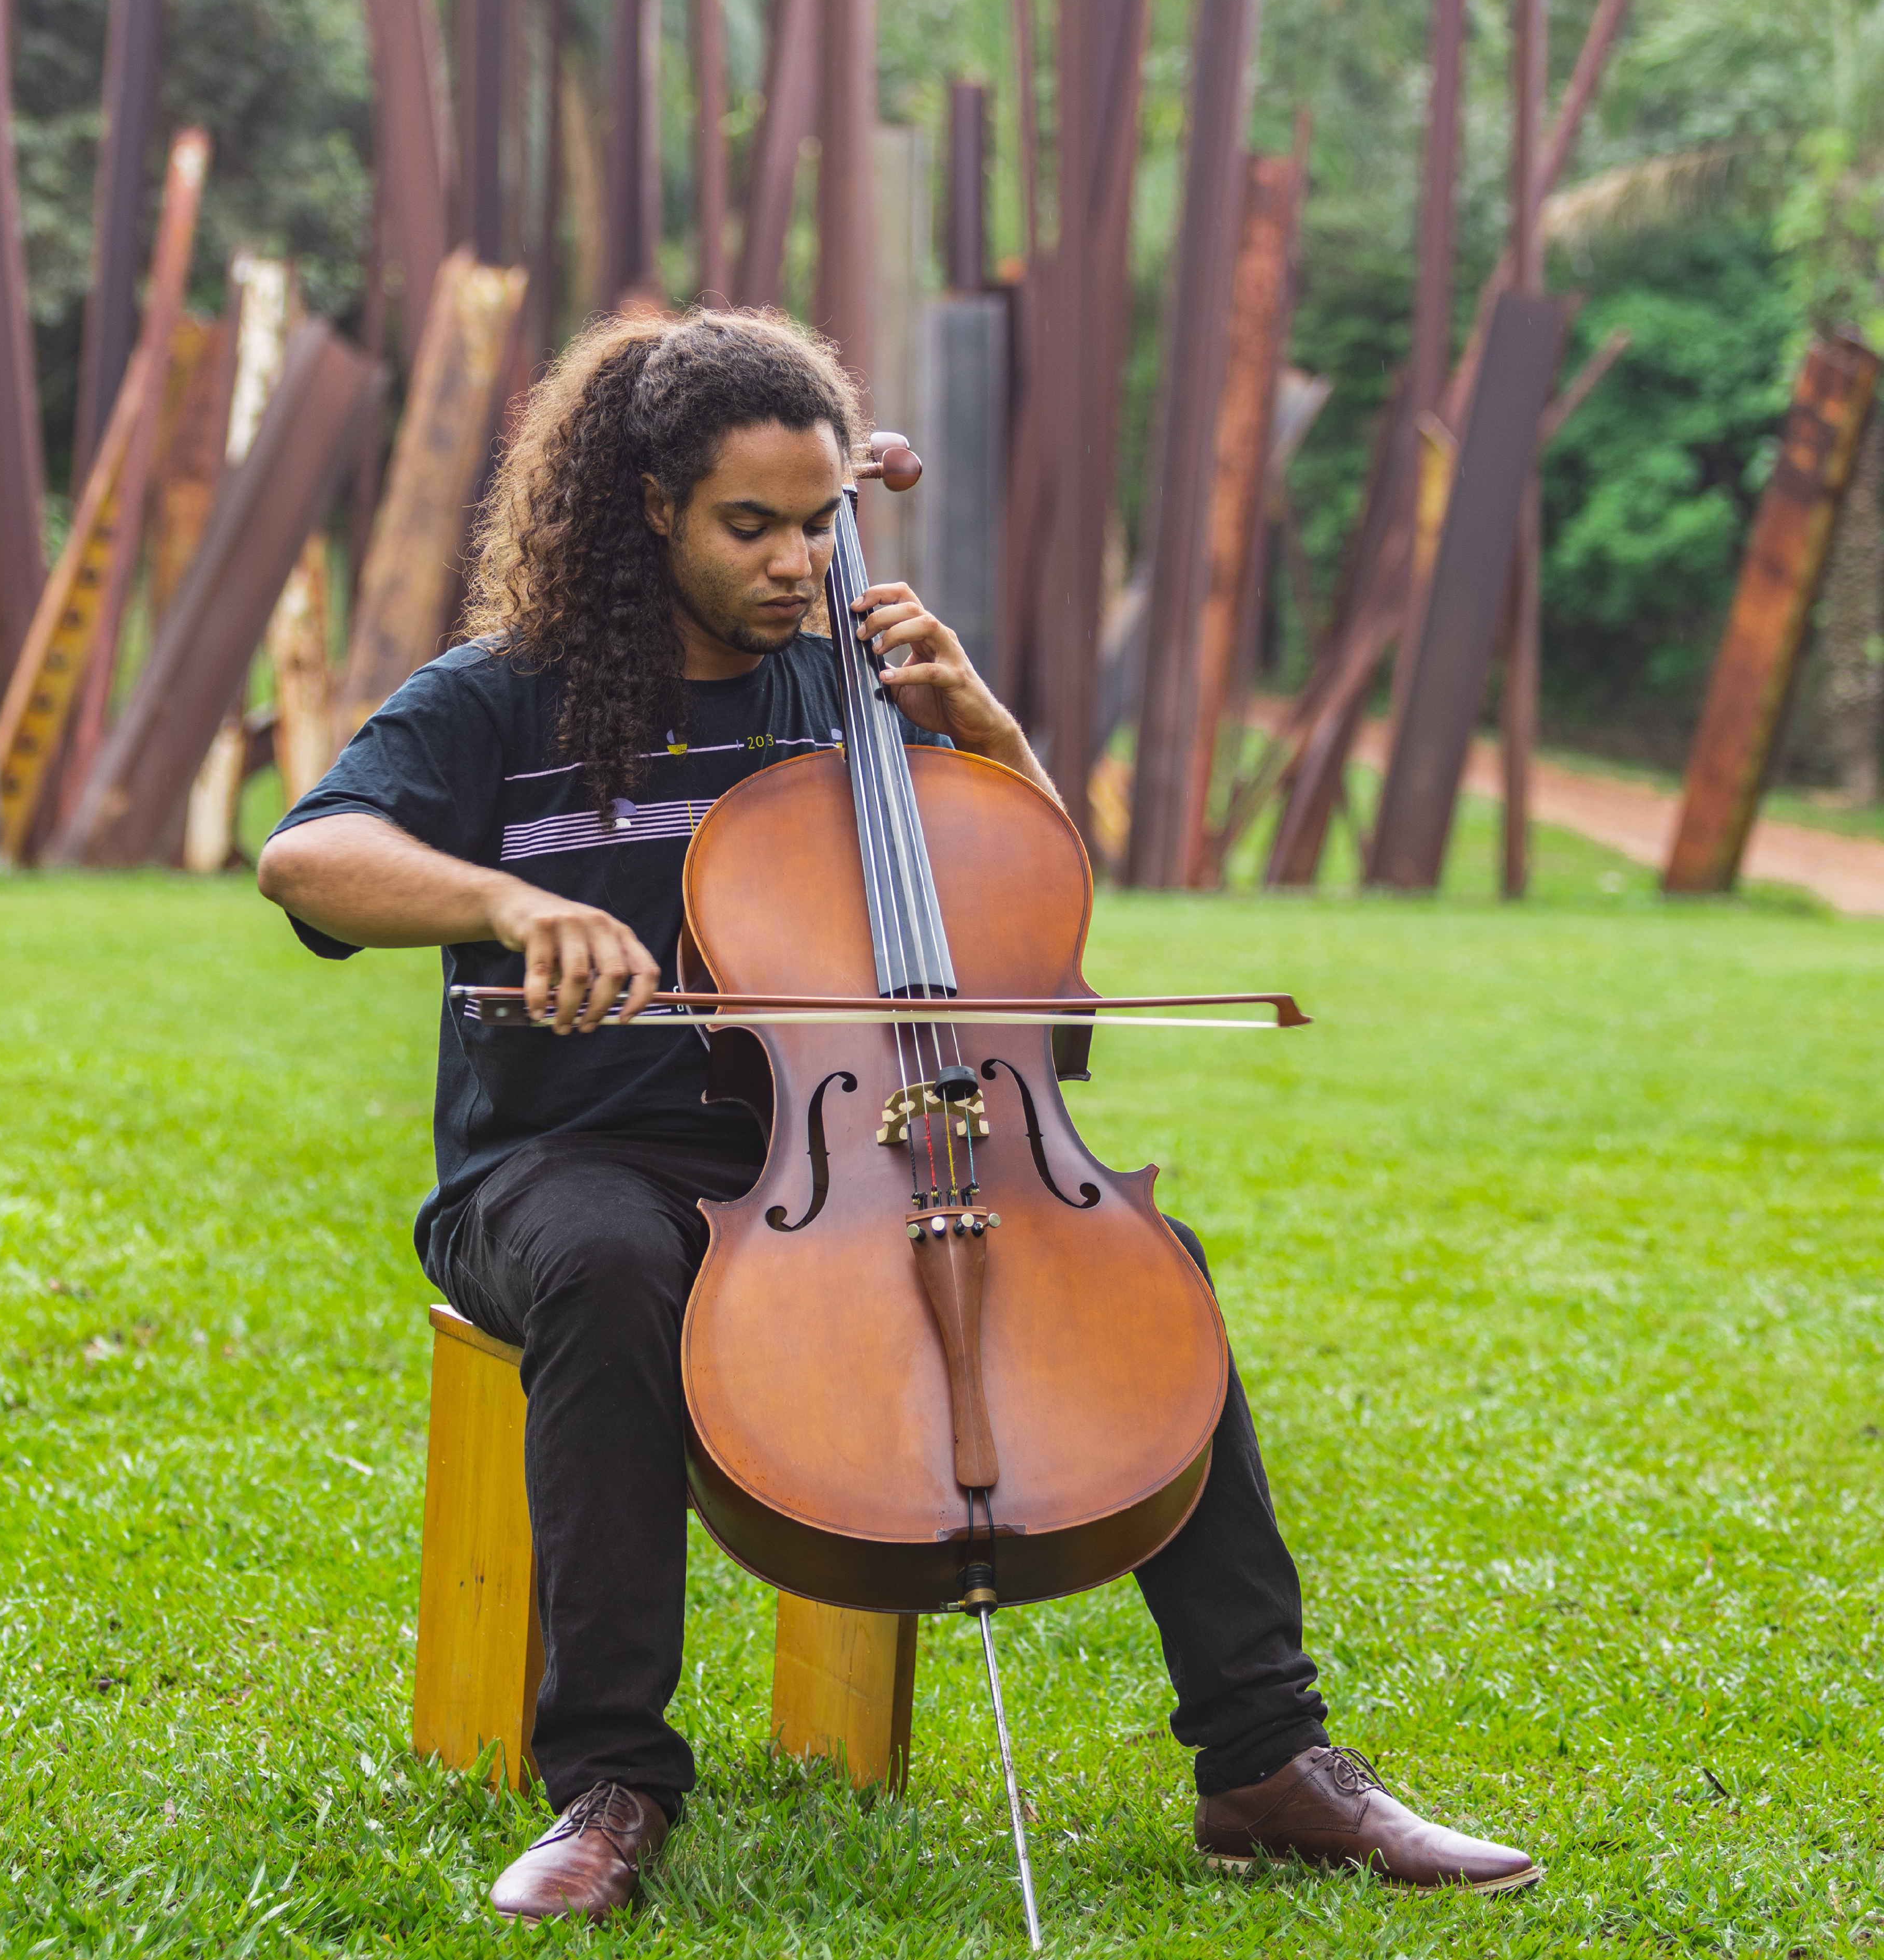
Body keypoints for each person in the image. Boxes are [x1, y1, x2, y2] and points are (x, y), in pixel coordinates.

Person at [256, 308, 1539, 1925]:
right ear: (650, 506)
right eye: (753, 526)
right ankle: (614, 1781)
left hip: (861, 1147)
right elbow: (308, 857)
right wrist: (512, 907)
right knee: (602, 1261)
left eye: (817, 521)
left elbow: (1032, 926)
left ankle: (1266, 1762)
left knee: (1156, 1265)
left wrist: (985, 733)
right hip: (570, 1161)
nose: (800, 561)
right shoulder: (503, 698)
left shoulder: (862, 682)